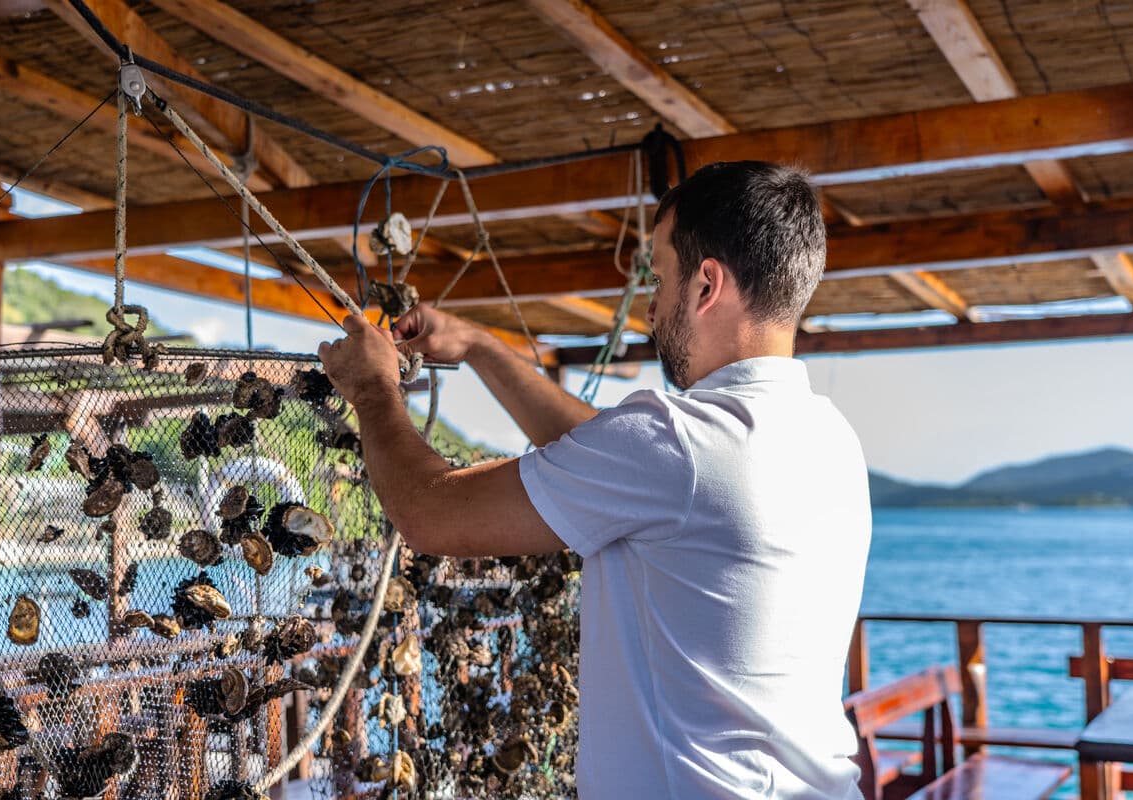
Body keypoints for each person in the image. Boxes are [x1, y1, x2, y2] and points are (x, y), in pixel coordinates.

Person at [318, 160, 871, 799]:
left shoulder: (675, 443)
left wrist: (373, 389)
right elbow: (613, 455)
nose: (651, 308)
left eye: (659, 278)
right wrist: (480, 347)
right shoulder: (829, 437)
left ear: (706, 284)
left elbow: (430, 514)